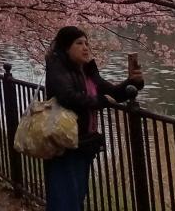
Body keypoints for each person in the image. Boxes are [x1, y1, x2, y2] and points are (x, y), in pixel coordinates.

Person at [43, 27, 144, 211]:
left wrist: (132, 82)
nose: (85, 47)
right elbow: (67, 97)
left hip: (84, 143)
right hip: (64, 143)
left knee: (77, 196)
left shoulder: (87, 71)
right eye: (79, 43)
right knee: (64, 199)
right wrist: (100, 101)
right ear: (66, 47)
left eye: (86, 43)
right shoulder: (57, 68)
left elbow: (113, 93)